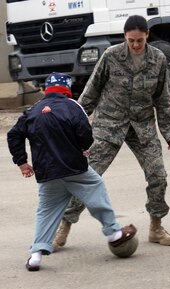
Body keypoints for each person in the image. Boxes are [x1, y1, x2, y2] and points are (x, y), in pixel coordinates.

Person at [52, 15, 170, 251]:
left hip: (142, 126)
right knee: (87, 178)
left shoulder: (158, 59)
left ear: (147, 36)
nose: (136, 45)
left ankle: (156, 226)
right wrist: (73, 122)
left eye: (140, 40)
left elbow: (164, 99)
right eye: (131, 40)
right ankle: (64, 226)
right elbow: (92, 90)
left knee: (158, 175)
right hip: (109, 125)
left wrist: (168, 131)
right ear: (125, 37)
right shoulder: (111, 56)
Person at [7, 72, 137, 271]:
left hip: (47, 173)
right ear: (67, 89)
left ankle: (35, 255)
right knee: (96, 188)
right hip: (73, 167)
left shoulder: (32, 110)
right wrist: (83, 146)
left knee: (46, 211)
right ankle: (113, 233)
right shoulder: (73, 106)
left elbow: (13, 135)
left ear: (46, 90)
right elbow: (85, 132)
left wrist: (22, 162)